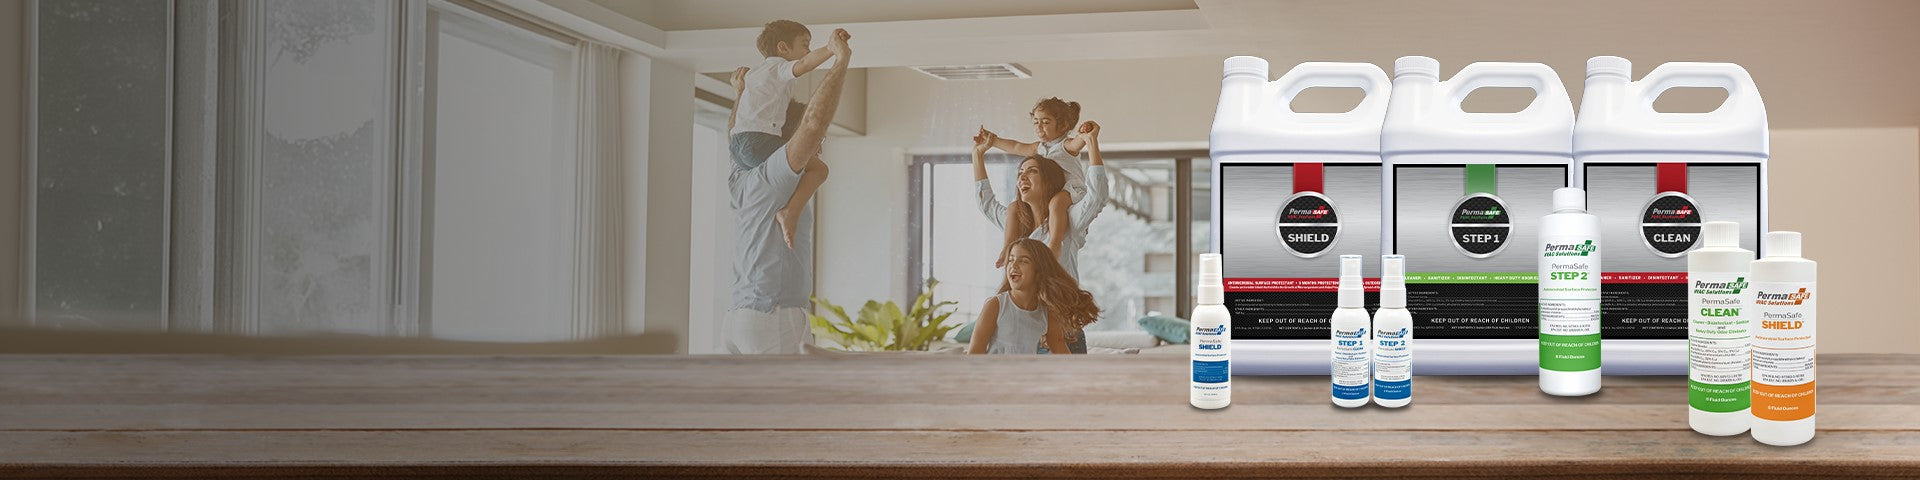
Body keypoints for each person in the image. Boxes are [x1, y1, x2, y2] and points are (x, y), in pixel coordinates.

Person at [723, 26, 852, 354]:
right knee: (785, 405)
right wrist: (840, 61)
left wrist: (741, 93)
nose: (817, 147)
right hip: (773, 312)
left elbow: (736, 134)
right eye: (817, 145)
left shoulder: (743, 174)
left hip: (739, 316)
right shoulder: (773, 176)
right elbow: (812, 125)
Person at [729, 20, 837, 249]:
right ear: (783, 48)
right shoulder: (777, 68)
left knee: (812, 166)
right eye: (804, 44)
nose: (807, 50)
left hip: (739, 144)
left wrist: (738, 94)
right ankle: (790, 212)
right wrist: (832, 49)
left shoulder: (755, 75)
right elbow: (806, 64)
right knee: (819, 168)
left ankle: (790, 210)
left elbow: (737, 126)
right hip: (758, 140)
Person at [968, 239, 1102, 354]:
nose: (1013, 265)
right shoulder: (995, 305)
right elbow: (974, 354)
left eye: (1023, 261)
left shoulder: (1047, 313)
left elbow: (1061, 353)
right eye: (1010, 260)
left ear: (1039, 270)